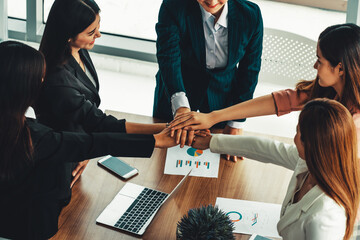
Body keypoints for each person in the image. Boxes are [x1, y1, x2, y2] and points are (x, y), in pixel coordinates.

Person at [0, 40, 177, 240]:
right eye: (39, 78)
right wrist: (156, 141)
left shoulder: (21, 129)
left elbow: (81, 143)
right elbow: (92, 143)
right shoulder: (31, 136)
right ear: (23, 87)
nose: (43, 82)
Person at [37, 0, 166, 205]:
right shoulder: (57, 81)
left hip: (82, 149)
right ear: (68, 35)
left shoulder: (78, 51)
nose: (98, 35)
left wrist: (87, 151)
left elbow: (87, 115)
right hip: (61, 163)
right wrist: (162, 130)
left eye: (98, 28)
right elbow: (98, 122)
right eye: (91, 32)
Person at [191, 99, 360, 240]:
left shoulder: (325, 217)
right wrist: (211, 142)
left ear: (312, 145)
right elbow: (267, 149)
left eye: (297, 133)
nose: (293, 139)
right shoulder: (311, 163)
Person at [153, 0, 263, 161]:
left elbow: (250, 70)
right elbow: (168, 57)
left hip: (223, 100)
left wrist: (236, 123)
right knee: (161, 158)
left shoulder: (251, 14)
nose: (211, 1)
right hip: (176, 89)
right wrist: (181, 108)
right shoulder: (173, 6)